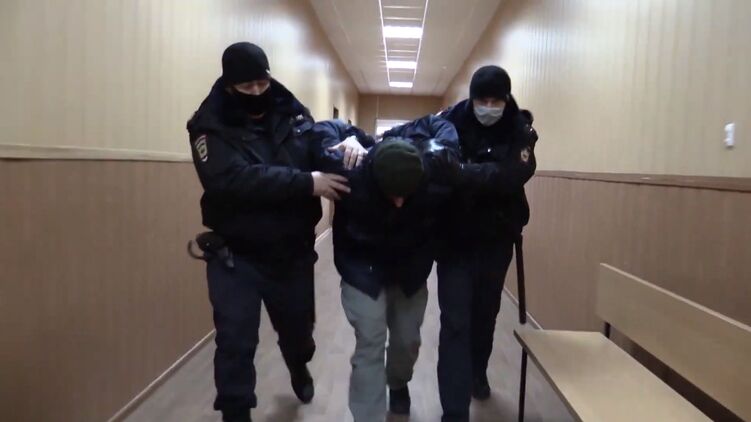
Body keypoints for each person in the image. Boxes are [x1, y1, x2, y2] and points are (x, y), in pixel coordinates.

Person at [186, 42, 362, 422]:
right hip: (237, 254)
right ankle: (236, 411)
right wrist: (306, 183)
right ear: (229, 85)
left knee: (298, 334)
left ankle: (298, 365)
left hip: (291, 252)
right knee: (235, 340)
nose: (256, 92)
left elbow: (317, 144)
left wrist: (347, 142)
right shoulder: (209, 124)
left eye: (261, 83)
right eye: (246, 86)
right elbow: (229, 180)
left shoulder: (291, 110)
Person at [315, 116, 459, 422]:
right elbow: (323, 128)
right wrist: (346, 140)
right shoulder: (350, 170)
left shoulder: (435, 171)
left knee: (407, 341)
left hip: (411, 268)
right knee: (370, 340)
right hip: (361, 268)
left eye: (406, 195)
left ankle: (398, 383)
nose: (399, 203)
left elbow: (443, 128)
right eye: (392, 195)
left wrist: (404, 131)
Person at [435, 65, 538, 422]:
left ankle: (478, 370)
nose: (489, 107)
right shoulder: (449, 121)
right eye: (483, 100)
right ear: (472, 98)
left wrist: (463, 173)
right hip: (453, 239)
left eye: (497, 101)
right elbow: (436, 163)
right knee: (454, 322)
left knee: (484, 314)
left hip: (496, 240)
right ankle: (453, 410)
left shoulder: (520, 129)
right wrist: (477, 176)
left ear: (506, 99)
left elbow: (514, 174)